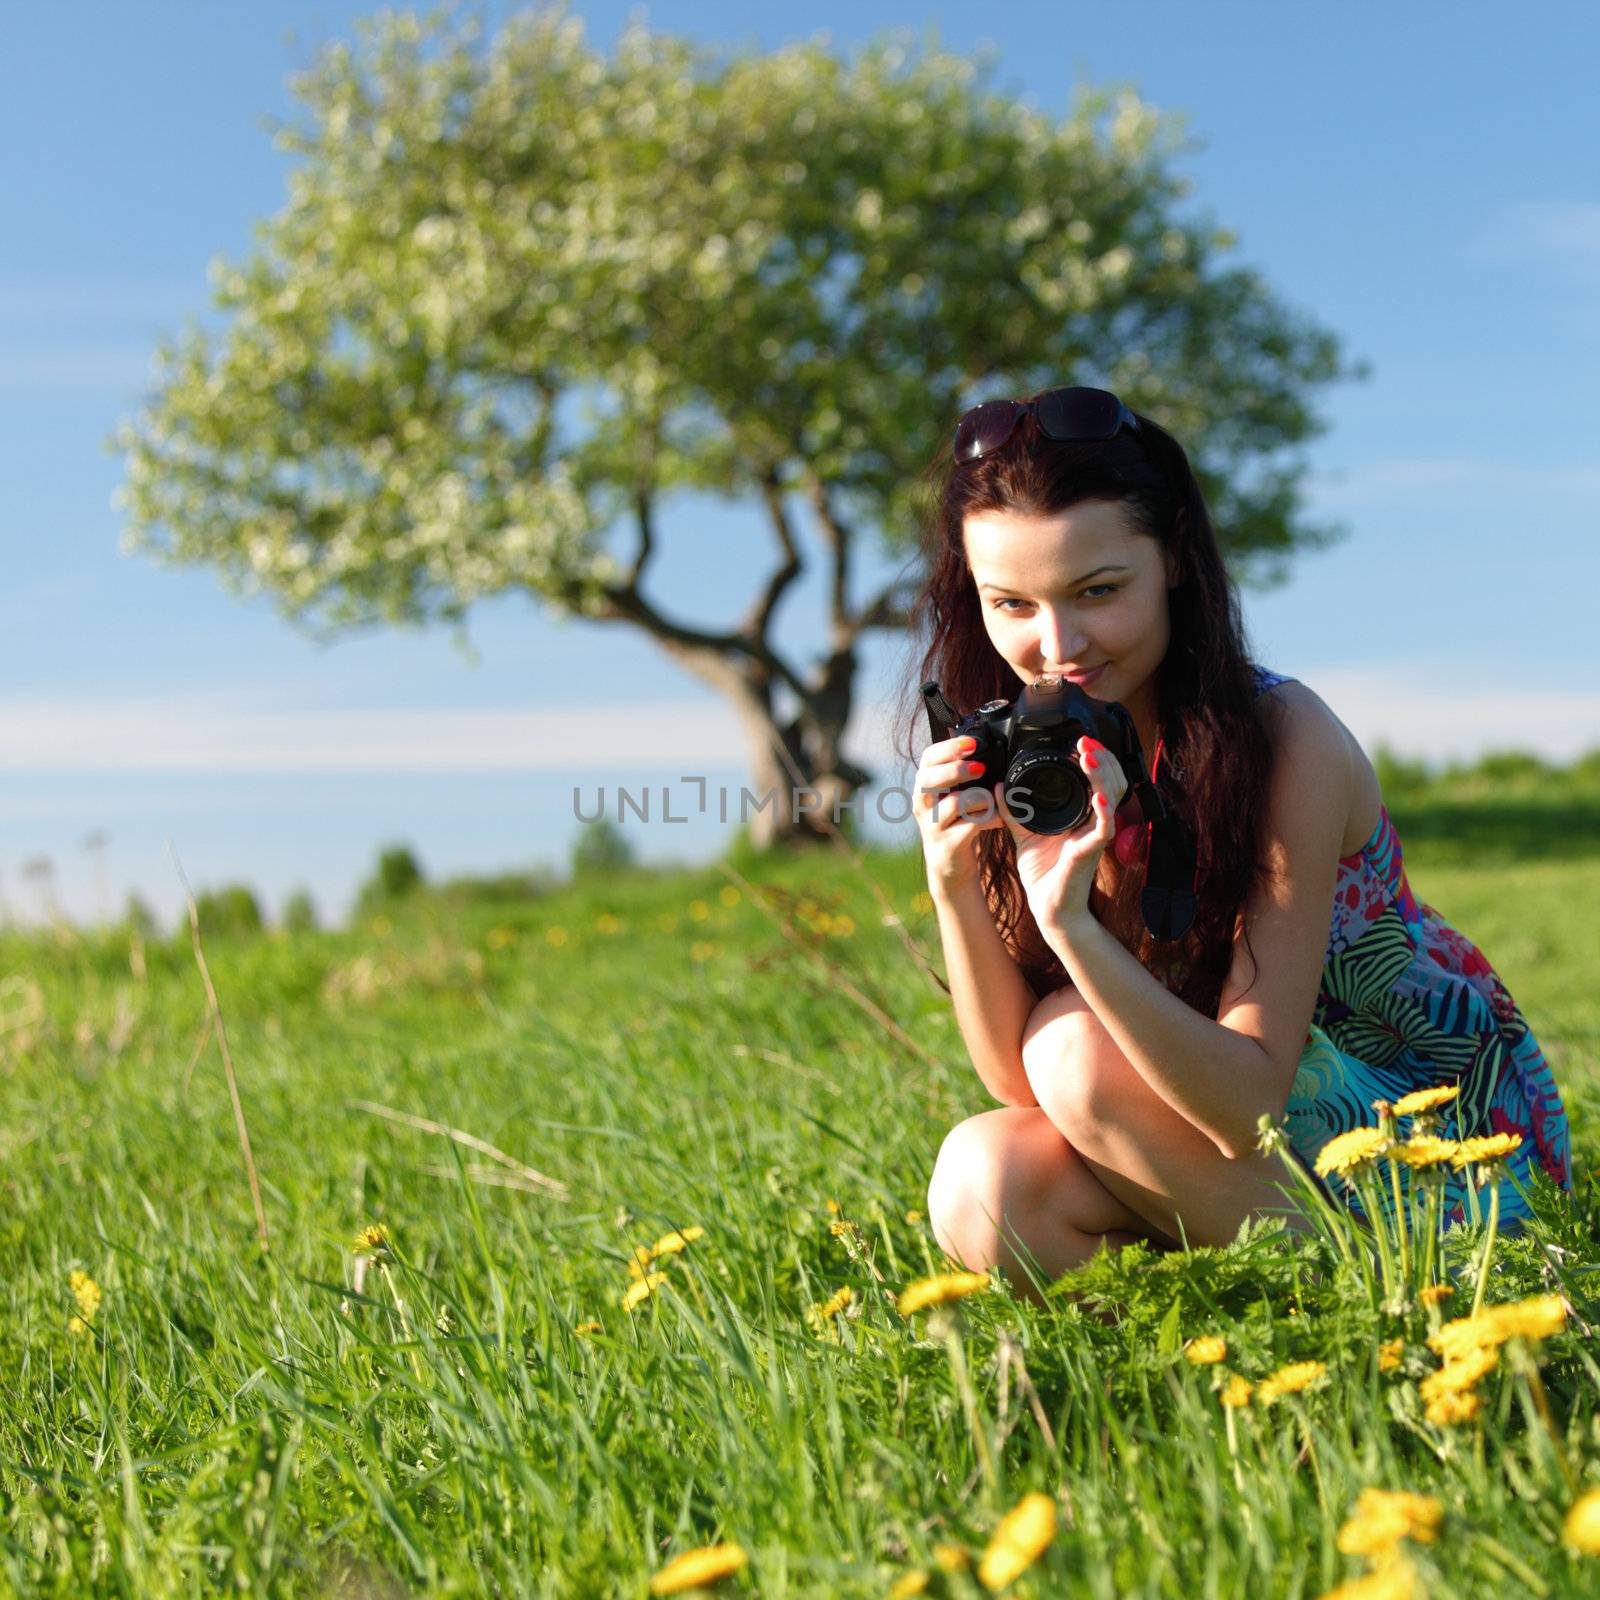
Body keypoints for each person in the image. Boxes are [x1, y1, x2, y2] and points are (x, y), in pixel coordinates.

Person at [900, 385, 1574, 1304]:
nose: (1056, 644)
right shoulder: (1020, 749)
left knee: (1073, 1050)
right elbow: (1021, 1087)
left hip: (1428, 1163)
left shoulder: (1284, 736)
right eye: (1011, 602)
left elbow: (1248, 1101)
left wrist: (1077, 933)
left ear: (1173, 556)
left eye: (1098, 591)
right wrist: (953, 886)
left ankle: (1398, 1310)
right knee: (986, 1179)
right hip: (1213, 1154)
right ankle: (1215, 1371)